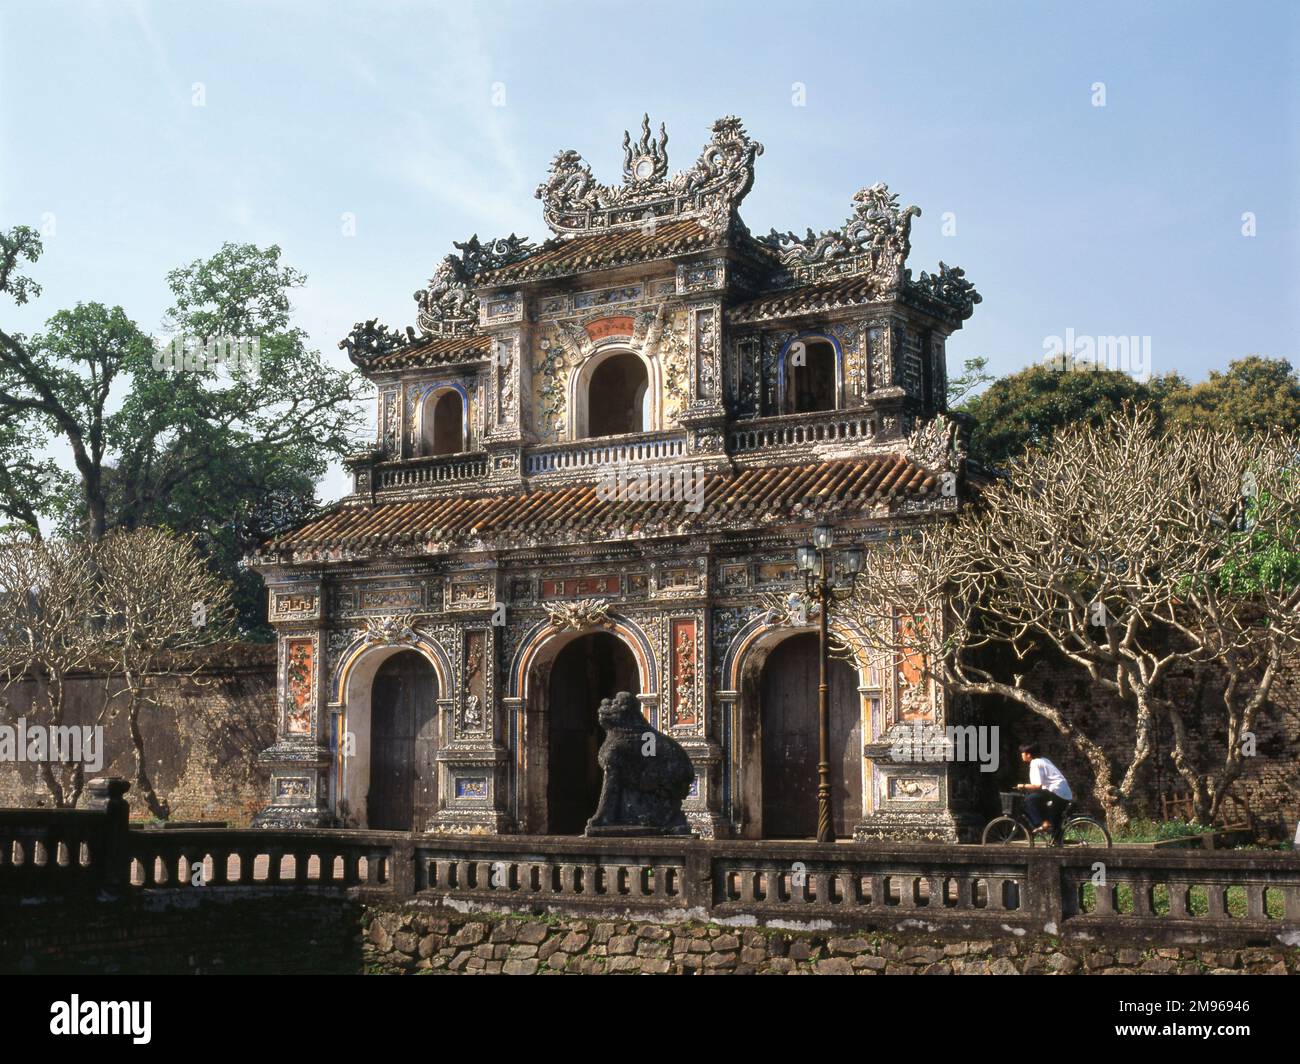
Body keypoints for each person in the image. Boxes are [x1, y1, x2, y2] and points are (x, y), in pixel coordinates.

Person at [1015, 744, 1073, 837]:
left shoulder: (1035, 763)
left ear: (1028, 755)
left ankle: (1043, 823)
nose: (1021, 755)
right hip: (1063, 792)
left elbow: (1038, 785)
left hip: (1057, 792)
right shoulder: (1044, 760)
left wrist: (1023, 786)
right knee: (1055, 821)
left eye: (1023, 753)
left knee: (1029, 800)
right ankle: (1056, 840)